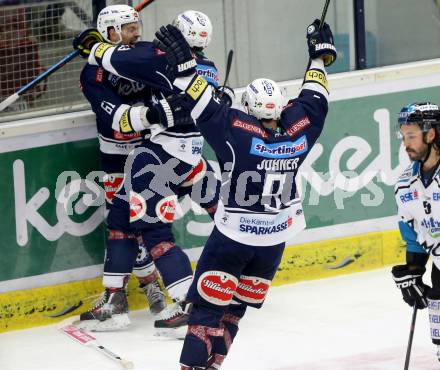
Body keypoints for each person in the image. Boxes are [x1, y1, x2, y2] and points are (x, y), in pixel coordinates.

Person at [152, 19, 336, 369]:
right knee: (233, 314)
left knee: (204, 315)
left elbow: (200, 102)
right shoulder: (297, 134)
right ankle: (214, 364)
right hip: (273, 244)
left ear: (249, 108)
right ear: (279, 108)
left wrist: (185, 71)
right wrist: (318, 60)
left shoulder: (236, 131)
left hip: (233, 238)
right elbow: (315, 100)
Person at [73, 8, 221, 335]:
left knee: (154, 232)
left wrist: (97, 49)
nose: (139, 33)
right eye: (128, 27)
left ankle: (187, 304)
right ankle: (114, 301)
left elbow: (129, 107)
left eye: (136, 26)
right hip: (164, 152)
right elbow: (121, 115)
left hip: (157, 156)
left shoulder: (156, 60)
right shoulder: (206, 67)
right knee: (120, 219)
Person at [391, 102, 440, 362]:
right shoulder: (404, 185)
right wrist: (413, 272)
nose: (406, 143)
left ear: (430, 134)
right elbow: (413, 234)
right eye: (404, 136)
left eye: (411, 135)